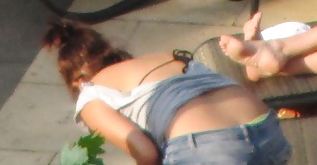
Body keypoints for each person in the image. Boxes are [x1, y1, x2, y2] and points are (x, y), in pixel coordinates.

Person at [44, 19, 292, 165]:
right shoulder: (166, 57)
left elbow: (145, 152)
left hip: (209, 148)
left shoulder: (91, 94)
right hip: (267, 130)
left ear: (78, 80)